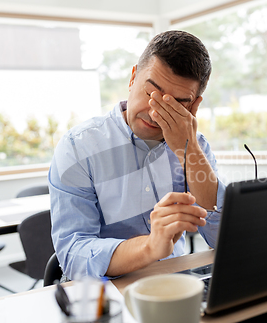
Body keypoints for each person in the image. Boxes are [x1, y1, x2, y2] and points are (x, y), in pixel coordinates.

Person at [48, 30, 226, 279]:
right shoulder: (78, 147)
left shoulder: (197, 148)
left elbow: (224, 238)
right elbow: (72, 255)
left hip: (176, 284)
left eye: (175, 104)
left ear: (193, 105)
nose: (156, 113)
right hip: (107, 293)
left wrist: (189, 152)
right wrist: (150, 246)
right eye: (151, 94)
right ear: (132, 78)